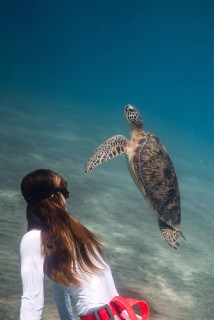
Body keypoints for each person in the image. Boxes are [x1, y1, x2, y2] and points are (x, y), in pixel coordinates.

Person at [19, 169, 149, 320]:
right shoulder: (39, 238)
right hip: (118, 314)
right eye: (64, 191)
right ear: (53, 197)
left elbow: (54, 291)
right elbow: (33, 300)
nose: (66, 198)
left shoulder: (63, 234)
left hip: (120, 314)